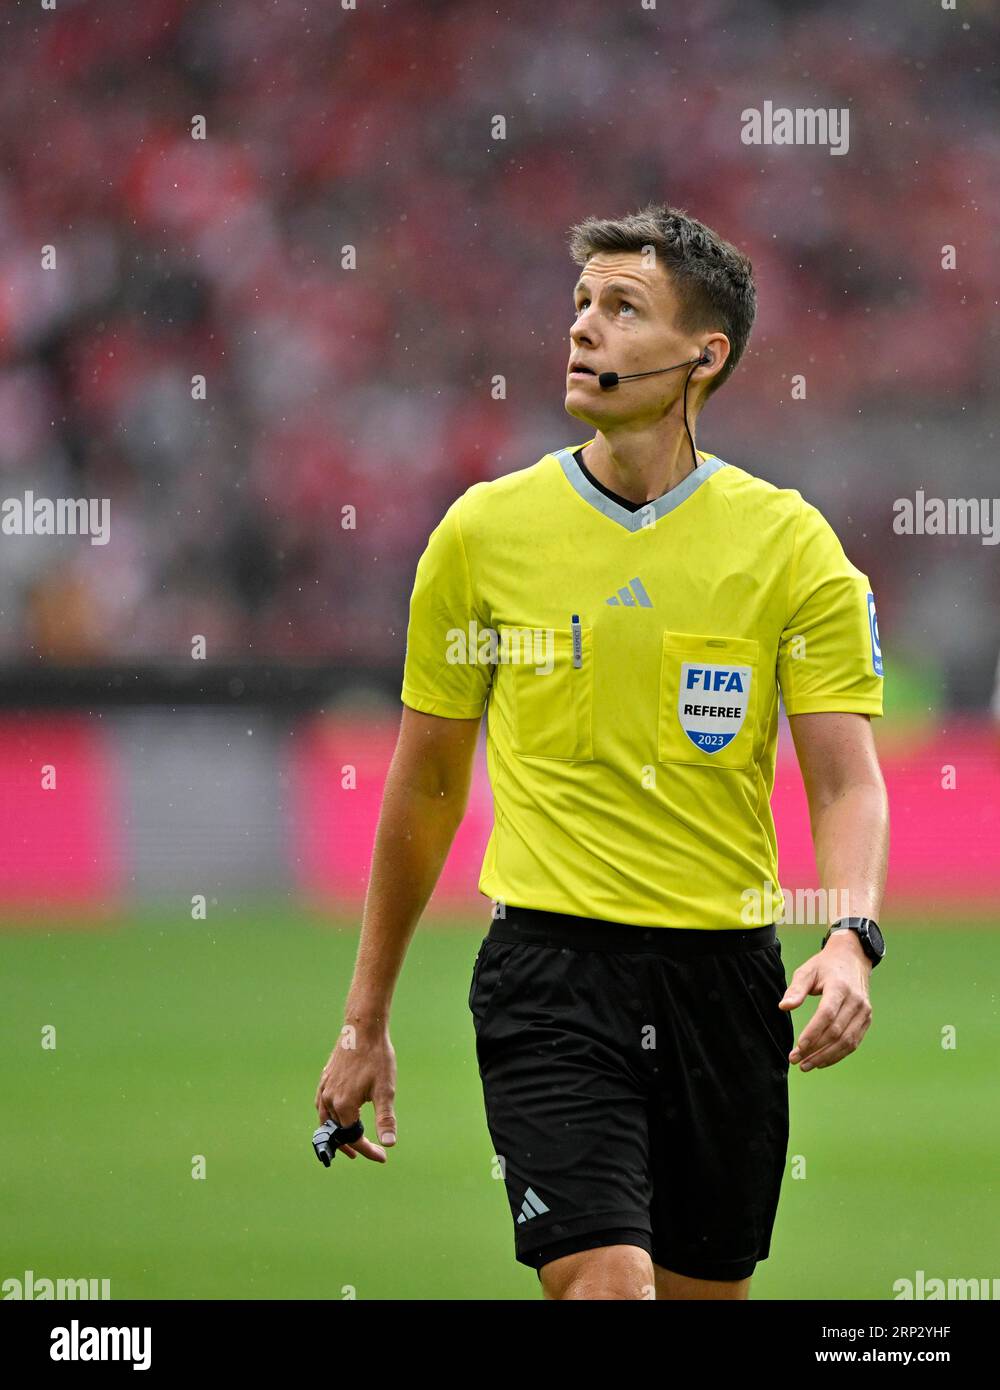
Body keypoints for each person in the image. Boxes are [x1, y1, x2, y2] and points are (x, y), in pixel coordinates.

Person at [314, 203, 889, 1301]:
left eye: (622, 310)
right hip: (550, 974)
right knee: (606, 1288)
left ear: (701, 357)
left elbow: (845, 777)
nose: (583, 329)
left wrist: (851, 934)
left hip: (726, 983)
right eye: (580, 304)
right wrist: (364, 1017)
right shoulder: (481, 535)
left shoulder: (789, 544)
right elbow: (428, 783)